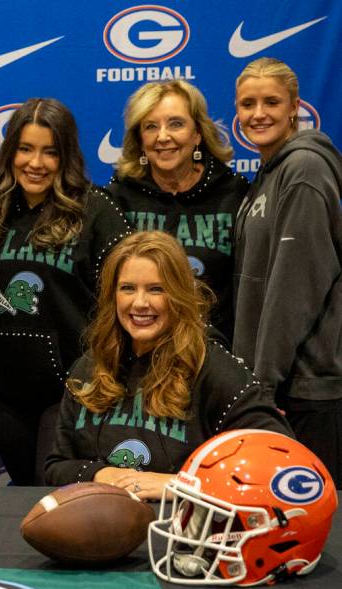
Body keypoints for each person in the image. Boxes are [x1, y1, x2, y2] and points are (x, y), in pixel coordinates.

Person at [45, 232, 290, 499]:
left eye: (156, 289)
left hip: (181, 531)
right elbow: (56, 467)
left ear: (179, 294)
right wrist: (98, 474)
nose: (140, 303)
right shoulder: (90, 367)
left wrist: (182, 485)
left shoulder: (213, 369)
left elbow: (280, 465)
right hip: (103, 530)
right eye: (127, 288)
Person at [0, 98, 131, 485]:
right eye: (25, 149)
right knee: (23, 490)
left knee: (53, 493)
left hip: (69, 390)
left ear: (67, 156)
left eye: (50, 152)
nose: (35, 163)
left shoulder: (96, 211)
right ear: (10, 152)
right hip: (0, 392)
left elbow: (123, 301)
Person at [233, 57, 342, 483]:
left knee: (316, 525)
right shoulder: (269, 173)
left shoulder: (305, 170)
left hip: (305, 389)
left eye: (271, 102)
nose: (258, 114)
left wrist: (263, 383)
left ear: (294, 105)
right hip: (278, 386)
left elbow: (296, 288)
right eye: (247, 103)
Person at [107, 80, 247, 341]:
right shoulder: (117, 198)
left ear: (197, 134)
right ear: (139, 139)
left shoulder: (235, 194)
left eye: (176, 124)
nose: (163, 137)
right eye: (151, 127)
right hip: (138, 354)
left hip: (215, 356)